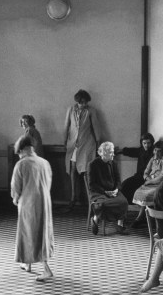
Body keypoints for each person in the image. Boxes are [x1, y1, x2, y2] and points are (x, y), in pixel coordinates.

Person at [11, 135, 55, 282]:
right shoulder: (44, 162)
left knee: (29, 232)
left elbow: (16, 187)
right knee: (42, 232)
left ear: (21, 149)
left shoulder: (21, 164)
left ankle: (46, 269)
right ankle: (27, 263)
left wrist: (16, 199)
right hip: (45, 202)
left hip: (28, 203)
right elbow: (48, 183)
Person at [64, 89, 103, 209]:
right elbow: (66, 126)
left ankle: (90, 199)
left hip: (87, 144)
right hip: (73, 145)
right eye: (82, 102)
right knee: (73, 168)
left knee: (86, 171)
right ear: (77, 101)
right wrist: (64, 141)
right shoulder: (70, 109)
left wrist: (98, 144)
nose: (84, 104)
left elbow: (96, 128)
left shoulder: (91, 111)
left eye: (86, 102)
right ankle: (73, 197)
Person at [88, 141, 129, 235]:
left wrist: (116, 190)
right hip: (98, 192)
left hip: (113, 191)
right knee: (103, 204)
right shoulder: (93, 164)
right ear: (103, 153)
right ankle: (95, 219)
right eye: (111, 152)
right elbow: (92, 184)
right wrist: (105, 192)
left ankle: (120, 225)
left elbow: (118, 180)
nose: (113, 154)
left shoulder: (113, 163)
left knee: (124, 202)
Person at [131, 140, 163, 226]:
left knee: (147, 195)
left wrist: (150, 182)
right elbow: (146, 172)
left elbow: (162, 177)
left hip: (159, 184)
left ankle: (141, 218)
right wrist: (147, 178)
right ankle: (144, 217)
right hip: (150, 182)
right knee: (138, 192)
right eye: (155, 150)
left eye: (159, 151)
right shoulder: (152, 159)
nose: (156, 153)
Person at [118, 132, 155, 204]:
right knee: (124, 185)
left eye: (148, 143)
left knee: (132, 188)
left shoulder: (154, 152)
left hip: (147, 178)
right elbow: (131, 151)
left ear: (152, 143)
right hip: (138, 176)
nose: (146, 145)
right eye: (144, 143)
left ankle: (132, 203)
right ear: (142, 143)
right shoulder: (141, 150)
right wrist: (119, 151)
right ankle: (128, 203)